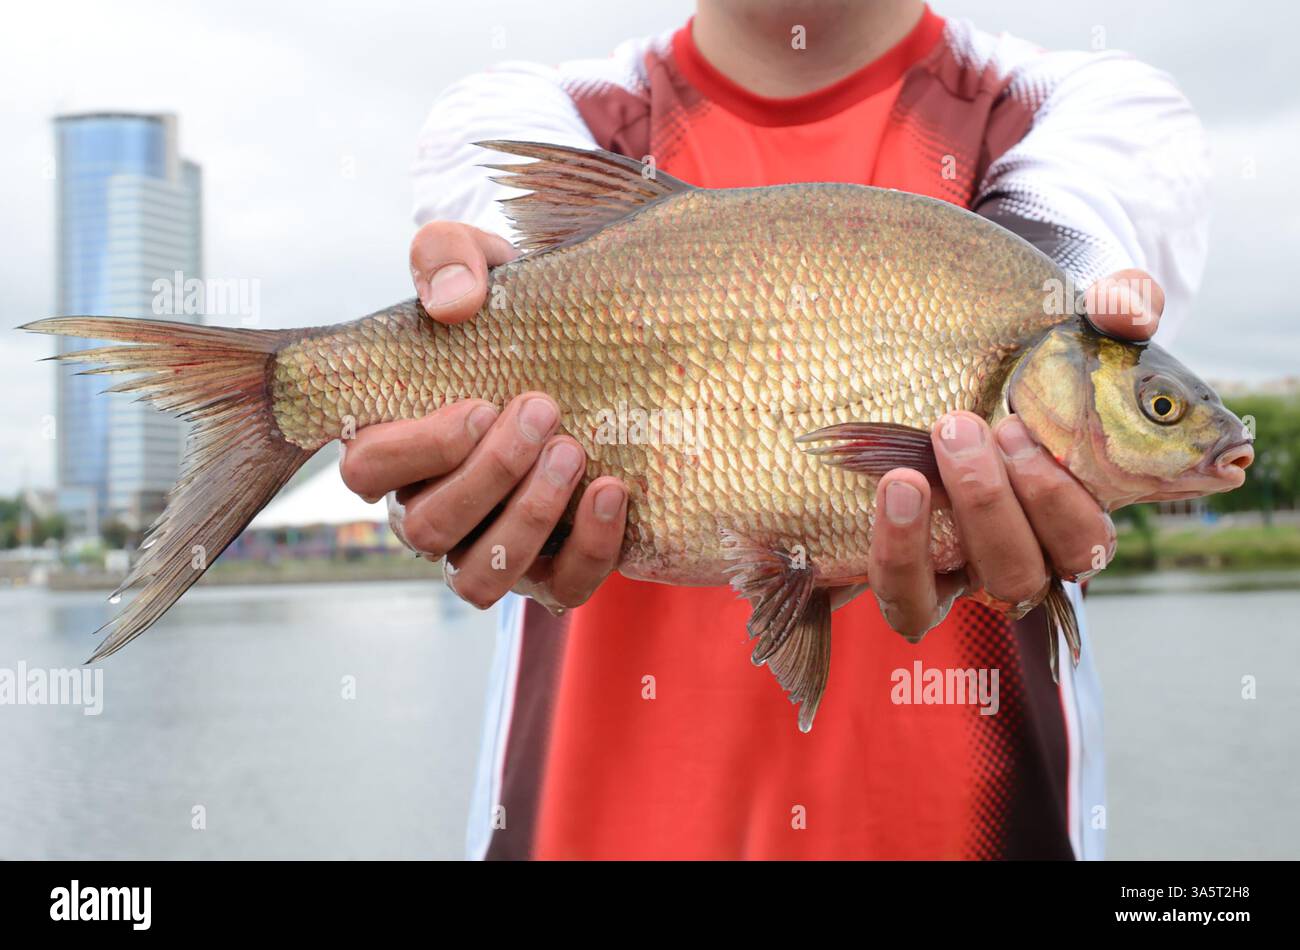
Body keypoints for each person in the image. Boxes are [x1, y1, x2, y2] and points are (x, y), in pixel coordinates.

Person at [339, 0, 1208, 858]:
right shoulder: (537, 108)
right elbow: (489, 277)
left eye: (1158, 410)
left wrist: (1078, 294)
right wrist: (446, 462)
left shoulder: (1080, 103)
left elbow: (1073, 247)